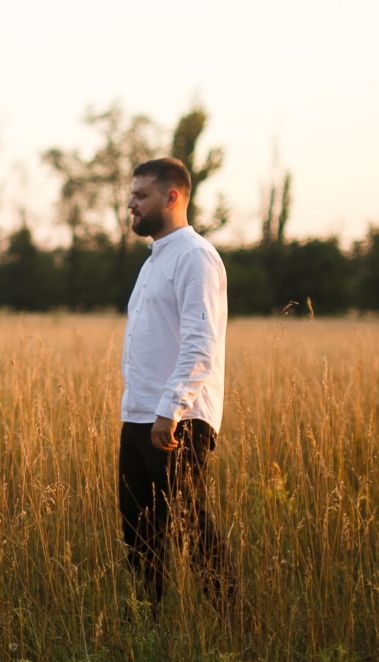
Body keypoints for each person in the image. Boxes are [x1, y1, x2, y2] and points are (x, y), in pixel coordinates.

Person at [116, 158, 238, 610]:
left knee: (191, 527)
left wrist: (171, 409)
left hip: (176, 421)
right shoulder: (154, 262)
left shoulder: (195, 257)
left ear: (173, 197)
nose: (131, 203)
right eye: (132, 194)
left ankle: (233, 623)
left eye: (141, 195)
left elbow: (200, 341)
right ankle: (148, 629)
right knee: (139, 533)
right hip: (140, 414)